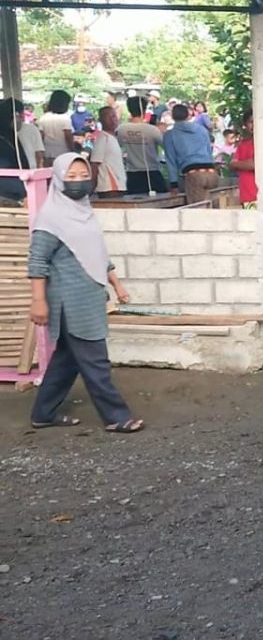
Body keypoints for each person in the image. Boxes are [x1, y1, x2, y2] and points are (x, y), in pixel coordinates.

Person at [28, 154, 144, 434]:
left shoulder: (83, 210)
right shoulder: (51, 217)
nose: (79, 181)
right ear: (58, 178)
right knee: (95, 360)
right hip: (71, 301)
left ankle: (42, 414)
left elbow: (97, 254)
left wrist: (116, 284)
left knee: (66, 361)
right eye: (71, 176)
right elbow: (37, 261)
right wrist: (38, 301)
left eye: (83, 175)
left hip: (90, 295)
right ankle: (116, 416)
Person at [163, 103, 218, 205]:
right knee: (213, 209)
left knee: (197, 211)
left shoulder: (170, 135)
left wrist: (174, 184)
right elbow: (209, 152)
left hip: (193, 173)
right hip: (211, 172)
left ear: (172, 116)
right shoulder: (202, 130)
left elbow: (171, 161)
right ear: (188, 115)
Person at [117, 96, 166, 195]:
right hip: (152, 173)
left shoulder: (121, 129)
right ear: (144, 109)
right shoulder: (152, 130)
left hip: (132, 174)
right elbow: (166, 146)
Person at [0, 98, 31, 204]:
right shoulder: (4, 139)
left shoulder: (9, 135)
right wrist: (25, 191)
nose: (23, 120)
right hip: (9, 193)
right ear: (14, 115)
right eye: (22, 116)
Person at [90, 106, 126, 193]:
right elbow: (95, 165)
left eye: (114, 116)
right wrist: (91, 188)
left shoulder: (113, 138)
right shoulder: (102, 139)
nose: (113, 120)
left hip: (119, 186)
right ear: (101, 120)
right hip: (109, 188)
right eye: (108, 117)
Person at [230, 111, 259, 208]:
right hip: (247, 194)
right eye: (251, 122)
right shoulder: (243, 144)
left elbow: (254, 164)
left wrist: (238, 164)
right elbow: (231, 164)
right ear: (245, 125)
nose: (254, 125)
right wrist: (246, 164)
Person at [38, 89, 75, 162]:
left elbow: (41, 137)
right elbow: (68, 136)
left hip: (47, 152)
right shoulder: (65, 118)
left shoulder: (43, 118)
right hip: (62, 152)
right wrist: (72, 150)